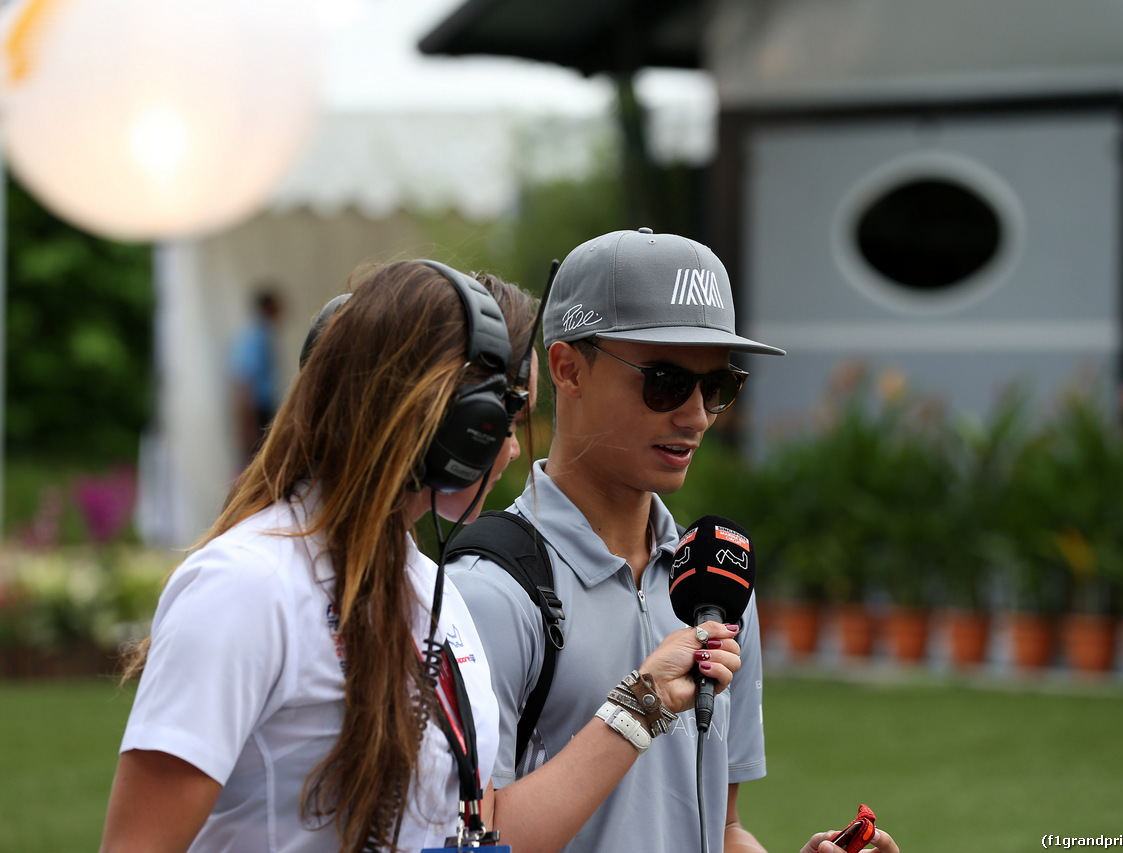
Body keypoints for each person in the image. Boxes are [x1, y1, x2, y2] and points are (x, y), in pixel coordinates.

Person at [100, 259, 737, 853]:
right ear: (454, 420)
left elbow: (485, 829)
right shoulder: (244, 586)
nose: (513, 450)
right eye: (507, 418)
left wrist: (644, 700)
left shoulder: (430, 589)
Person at [445, 228, 900, 853]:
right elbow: (470, 841)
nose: (695, 416)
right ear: (567, 369)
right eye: (665, 382)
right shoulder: (486, 591)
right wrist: (638, 710)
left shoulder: (719, 581)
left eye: (717, 388)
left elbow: (722, 827)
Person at [231, 286, 284, 464]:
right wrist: (249, 423)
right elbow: (245, 379)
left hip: (261, 408)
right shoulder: (257, 336)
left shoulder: (262, 334)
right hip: (257, 410)